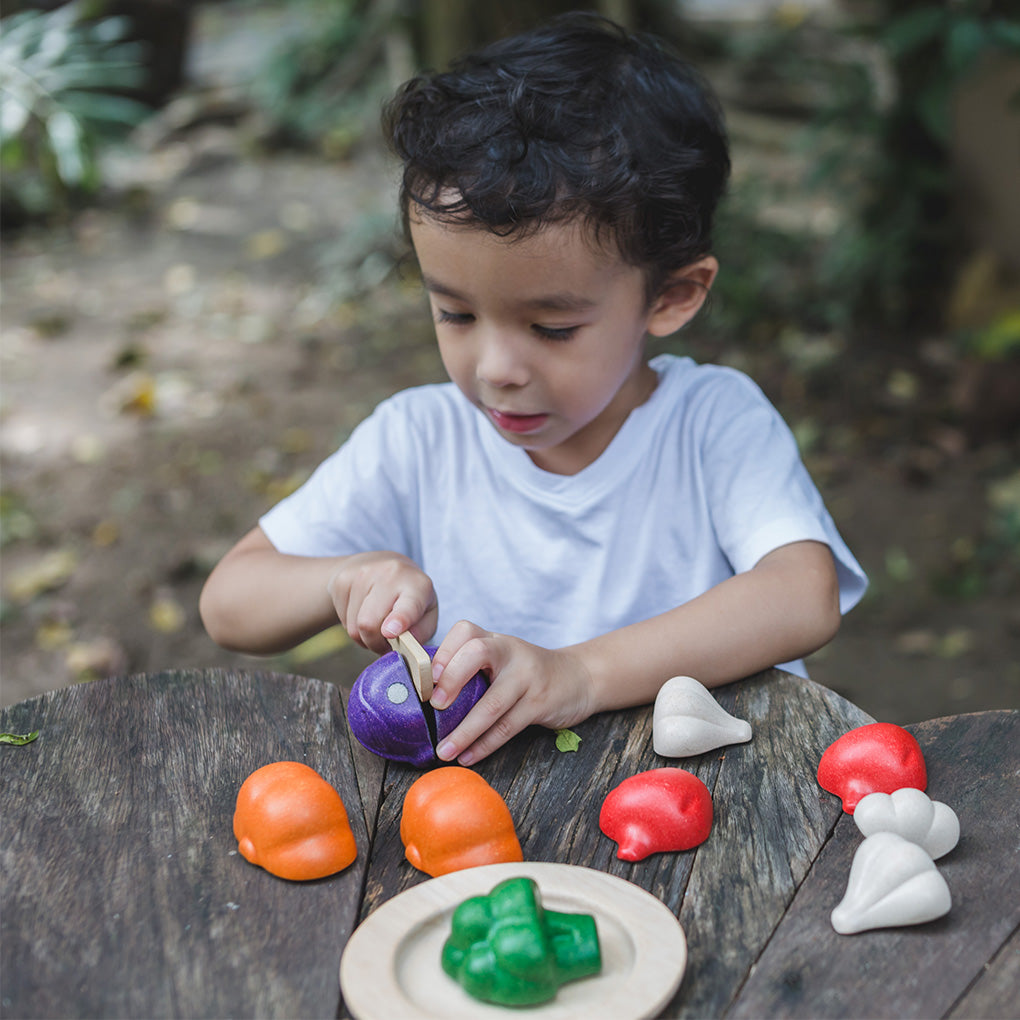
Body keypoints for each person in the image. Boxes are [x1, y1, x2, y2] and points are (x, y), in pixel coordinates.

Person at [200, 12, 867, 766]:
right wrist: (342, 579)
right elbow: (230, 600)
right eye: (454, 312)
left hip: (720, 807)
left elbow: (801, 594)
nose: (495, 368)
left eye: (551, 328)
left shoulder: (712, 424)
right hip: (501, 824)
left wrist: (581, 673)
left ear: (673, 296)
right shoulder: (420, 438)